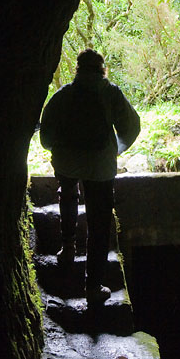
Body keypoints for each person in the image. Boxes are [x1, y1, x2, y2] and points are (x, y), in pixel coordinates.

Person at [39, 49, 140, 308]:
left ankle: (68, 247)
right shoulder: (111, 93)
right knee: (99, 222)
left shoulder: (63, 95)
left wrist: (61, 151)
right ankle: (93, 287)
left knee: (68, 194)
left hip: (66, 162)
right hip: (100, 167)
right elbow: (131, 126)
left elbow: (46, 136)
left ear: (78, 69)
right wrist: (113, 149)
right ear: (102, 68)